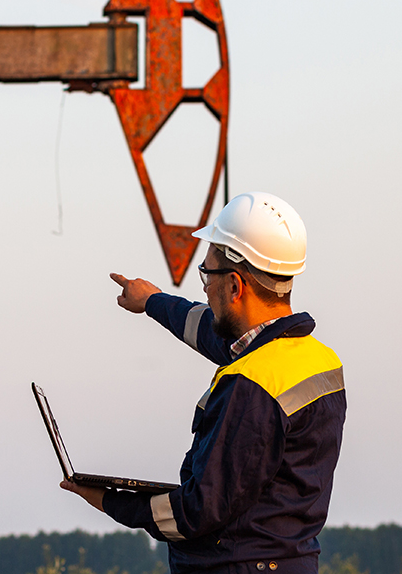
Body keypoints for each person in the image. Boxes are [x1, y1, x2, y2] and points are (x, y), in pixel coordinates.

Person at [61, 192, 346, 574]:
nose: (204, 287)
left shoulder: (251, 385)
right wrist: (152, 301)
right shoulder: (314, 360)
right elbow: (218, 336)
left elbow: (196, 512)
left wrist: (108, 499)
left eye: (206, 274)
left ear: (234, 286)